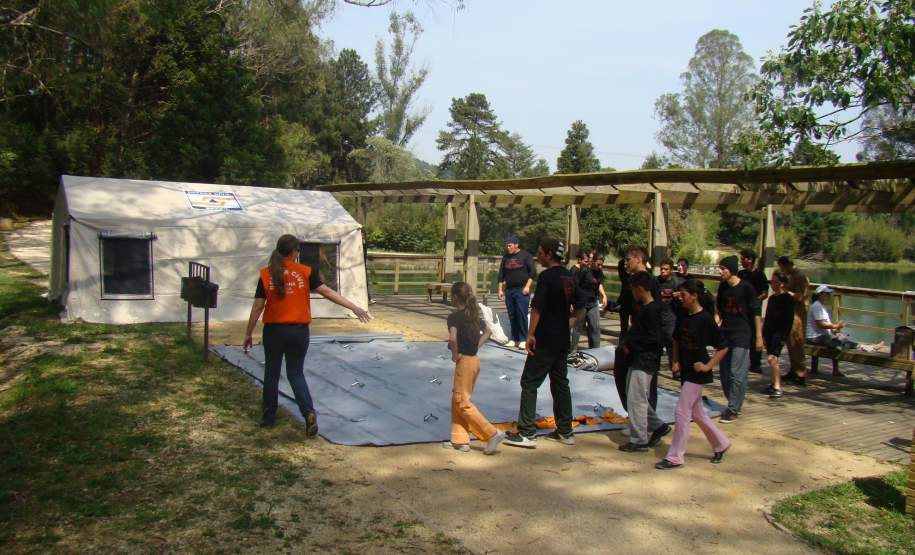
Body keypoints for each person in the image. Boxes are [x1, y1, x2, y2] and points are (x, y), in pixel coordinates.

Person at [244, 234, 372, 433]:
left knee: (272, 373)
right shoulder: (305, 271)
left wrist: (248, 332)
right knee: (295, 374)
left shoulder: (266, 274)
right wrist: (355, 308)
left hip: (274, 331)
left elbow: (257, 306)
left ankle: (268, 418)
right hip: (299, 332)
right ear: (295, 252)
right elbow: (328, 293)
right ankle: (308, 412)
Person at [504, 238, 585, 449]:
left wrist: (530, 335)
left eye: (540, 252)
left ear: (549, 254)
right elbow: (581, 307)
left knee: (529, 382)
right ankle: (565, 431)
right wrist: (567, 324)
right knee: (560, 382)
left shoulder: (547, 276)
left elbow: (537, 308)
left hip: (545, 338)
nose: (537, 256)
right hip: (561, 338)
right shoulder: (570, 276)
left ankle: (527, 432)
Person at [655, 279, 731, 469]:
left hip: (697, 373)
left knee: (681, 411)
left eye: (684, 295)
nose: (681, 298)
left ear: (695, 296)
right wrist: (675, 361)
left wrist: (707, 366)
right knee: (697, 413)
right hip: (686, 370)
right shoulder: (683, 314)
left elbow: (723, 347)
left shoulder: (705, 319)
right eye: (680, 295)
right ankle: (721, 443)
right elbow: (676, 339)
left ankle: (675, 457)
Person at [444, 282, 505, 455]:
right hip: (474, 360)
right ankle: (460, 439)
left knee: (462, 402)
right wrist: (475, 347)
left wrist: (455, 355)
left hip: (464, 361)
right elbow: (488, 332)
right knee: (457, 399)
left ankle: (492, 433)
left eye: (451, 295)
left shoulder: (454, 317)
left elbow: (453, 339)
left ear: (455, 297)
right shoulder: (473, 316)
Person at [618, 271, 671, 452]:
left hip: (646, 359)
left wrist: (631, 344)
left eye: (633, 289)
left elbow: (655, 339)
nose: (633, 293)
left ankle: (639, 439)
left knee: (637, 399)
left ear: (640, 289)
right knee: (634, 394)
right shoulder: (644, 309)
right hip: (638, 358)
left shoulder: (653, 310)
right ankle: (659, 426)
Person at [614, 245, 663, 411]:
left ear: (639, 259)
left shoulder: (651, 282)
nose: (625, 263)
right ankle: (634, 415)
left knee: (646, 384)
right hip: (631, 335)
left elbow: (656, 312)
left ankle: (649, 420)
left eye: (628, 260)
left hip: (645, 341)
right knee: (623, 376)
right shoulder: (631, 280)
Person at [715, 255, 762, 424]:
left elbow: (756, 313)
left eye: (723, 269)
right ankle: (734, 402)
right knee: (725, 372)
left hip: (742, 334)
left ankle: (733, 408)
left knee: (737, 372)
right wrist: (713, 328)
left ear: (732, 271)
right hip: (725, 333)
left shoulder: (746, 288)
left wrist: (758, 336)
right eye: (720, 269)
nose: (720, 272)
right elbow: (719, 311)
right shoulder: (722, 287)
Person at [806, 285, 885, 353]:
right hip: (814, 338)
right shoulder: (817, 306)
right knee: (840, 341)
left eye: (829, 293)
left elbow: (825, 326)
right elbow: (821, 324)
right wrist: (836, 326)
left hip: (822, 336)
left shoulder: (822, 306)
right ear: (820, 294)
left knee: (842, 339)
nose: (829, 295)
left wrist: (836, 330)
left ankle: (869, 347)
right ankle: (869, 348)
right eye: (827, 293)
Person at [497, 235, 535, 350]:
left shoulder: (526, 256)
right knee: (512, 315)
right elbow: (501, 275)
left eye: (509, 245)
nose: (507, 247)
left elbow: (532, 273)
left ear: (516, 245)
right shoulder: (505, 258)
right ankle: (514, 338)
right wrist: (500, 290)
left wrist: (527, 287)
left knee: (521, 314)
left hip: (522, 289)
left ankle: (523, 339)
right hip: (509, 290)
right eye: (506, 245)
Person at [778, 256, 810, 386]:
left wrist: (786, 292)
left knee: (797, 342)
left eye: (782, 268)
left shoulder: (800, 276)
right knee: (791, 342)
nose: (782, 270)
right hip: (791, 312)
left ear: (787, 266)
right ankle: (793, 370)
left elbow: (800, 296)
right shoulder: (791, 276)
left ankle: (801, 374)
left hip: (799, 314)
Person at [761, 271, 794, 398]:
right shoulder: (772, 298)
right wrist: (763, 333)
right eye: (771, 282)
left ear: (782, 284)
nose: (772, 285)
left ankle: (777, 386)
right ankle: (773, 383)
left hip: (779, 333)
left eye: (775, 282)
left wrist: (784, 337)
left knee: (772, 358)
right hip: (769, 332)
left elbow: (789, 320)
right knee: (772, 359)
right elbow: (768, 317)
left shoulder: (788, 299)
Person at [737, 249, 769, 374]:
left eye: (744, 258)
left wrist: (755, 300)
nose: (742, 261)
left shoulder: (760, 275)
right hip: (741, 309)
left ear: (750, 260)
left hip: (754, 310)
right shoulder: (741, 274)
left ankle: (755, 363)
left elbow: (765, 292)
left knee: (756, 334)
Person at [571, 253, 608, 351]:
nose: (600, 267)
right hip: (582, 302)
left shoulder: (600, 272)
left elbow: (599, 284)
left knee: (595, 328)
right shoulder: (584, 270)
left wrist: (604, 295)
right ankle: (572, 351)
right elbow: (575, 285)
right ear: (593, 262)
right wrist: (573, 302)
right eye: (598, 264)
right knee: (577, 328)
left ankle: (595, 351)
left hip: (593, 302)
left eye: (602, 265)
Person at [657, 258, 684, 369]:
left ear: (671, 270)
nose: (663, 271)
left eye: (666, 269)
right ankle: (654, 371)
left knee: (672, 347)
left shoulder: (678, 282)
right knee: (656, 346)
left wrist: (680, 294)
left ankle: (675, 368)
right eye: (661, 269)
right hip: (658, 318)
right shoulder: (655, 281)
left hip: (671, 319)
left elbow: (690, 293)